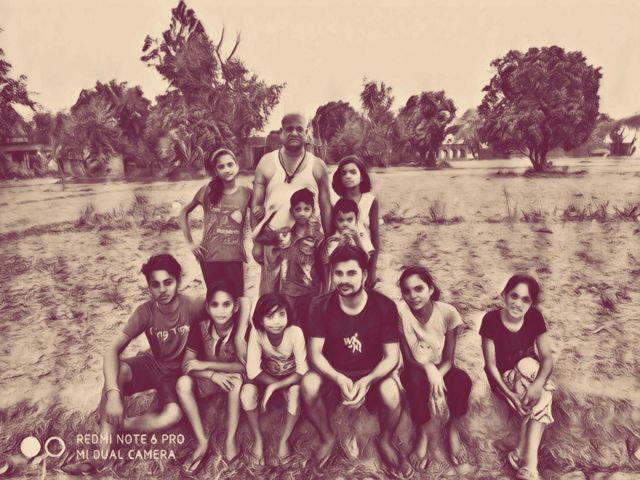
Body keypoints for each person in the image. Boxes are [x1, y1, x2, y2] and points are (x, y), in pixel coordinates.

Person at [63, 254, 206, 475]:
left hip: (176, 376)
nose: (162, 290)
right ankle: (101, 457)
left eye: (168, 282)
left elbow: (227, 307)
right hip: (152, 364)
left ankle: (119, 425)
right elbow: (111, 350)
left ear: (179, 280)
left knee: (173, 415)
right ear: (149, 287)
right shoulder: (145, 311)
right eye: (155, 284)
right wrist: (113, 394)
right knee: (118, 371)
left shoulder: (192, 306)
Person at [300, 244, 414, 479]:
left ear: (364, 274)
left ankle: (385, 440)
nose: (344, 280)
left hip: (372, 371)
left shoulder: (384, 306)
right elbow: (315, 354)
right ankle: (327, 437)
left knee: (392, 392)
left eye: (351, 273)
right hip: (333, 371)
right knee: (308, 385)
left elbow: (391, 356)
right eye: (338, 273)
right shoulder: (319, 305)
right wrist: (338, 378)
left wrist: (367, 381)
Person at [397, 266, 472, 472]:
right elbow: (408, 360)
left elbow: (449, 359)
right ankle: (422, 433)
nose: (413, 295)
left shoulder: (448, 313)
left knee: (463, 381)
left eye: (418, 288)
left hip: (443, 368)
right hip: (416, 368)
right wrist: (428, 369)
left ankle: (453, 429)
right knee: (413, 381)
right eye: (406, 291)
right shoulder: (401, 314)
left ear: (430, 289)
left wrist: (438, 374)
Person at [480, 275, 555, 480]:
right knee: (540, 390)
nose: (518, 303)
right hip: (503, 378)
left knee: (538, 384)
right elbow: (490, 365)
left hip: (528, 372)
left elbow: (547, 357)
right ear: (504, 296)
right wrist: (511, 396)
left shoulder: (534, 317)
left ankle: (523, 454)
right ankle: (529, 461)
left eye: (525, 299)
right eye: (514, 296)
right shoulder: (491, 320)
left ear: (531, 304)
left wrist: (538, 384)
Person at [251, 112, 332, 295]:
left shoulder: (317, 165)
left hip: (306, 243)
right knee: (270, 295)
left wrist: (328, 241)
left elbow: (326, 206)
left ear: (307, 133)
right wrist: (256, 243)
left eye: (299, 129)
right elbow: (256, 205)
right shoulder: (267, 162)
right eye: (289, 129)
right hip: (272, 240)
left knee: (305, 293)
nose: (294, 133)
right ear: (281, 133)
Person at [176, 280, 251, 475]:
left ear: (235, 307)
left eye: (226, 304)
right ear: (208, 308)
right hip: (209, 380)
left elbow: (244, 367)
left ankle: (230, 440)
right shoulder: (200, 327)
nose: (221, 311)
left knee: (236, 381)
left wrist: (207, 365)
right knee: (182, 383)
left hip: (231, 380)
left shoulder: (243, 330)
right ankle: (202, 441)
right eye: (215, 305)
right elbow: (186, 365)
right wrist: (212, 375)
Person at [240, 294, 308, 467]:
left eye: (281, 314)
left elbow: (302, 370)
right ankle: (258, 438)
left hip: (290, 378)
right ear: (260, 320)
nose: (277, 321)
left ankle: (284, 440)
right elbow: (252, 370)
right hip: (265, 377)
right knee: (246, 394)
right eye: (270, 316)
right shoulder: (257, 333)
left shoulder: (295, 333)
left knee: (295, 394)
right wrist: (273, 385)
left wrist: (278, 386)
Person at [179, 148, 252, 295]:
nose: (227, 169)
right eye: (221, 166)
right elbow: (183, 212)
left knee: (237, 298)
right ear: (216, 171)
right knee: (215, 299)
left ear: (237, 165)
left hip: (234, 257)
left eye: (230, 164)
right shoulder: (207, 191)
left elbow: (256, 220)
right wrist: (190, 243)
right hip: (209, 257)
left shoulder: (247, 193)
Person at [331, 155, 380, 289]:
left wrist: (372, 269)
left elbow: (375, 236)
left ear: (362, 176)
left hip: (364, 253)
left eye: (353, 172)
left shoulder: (370, 201)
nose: (348, 176)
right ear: (340, 178)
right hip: (343, 258)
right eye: (344, 173)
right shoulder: (337, 203)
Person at [320, 198, 367, 292]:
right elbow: (328, 262)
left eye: (350, 220)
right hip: (337, 284)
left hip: (356, 282)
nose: (345, 224)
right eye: (340, 220)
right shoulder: (332, 241)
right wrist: (340, 245)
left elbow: (366, 259)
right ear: (335, 222)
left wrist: (357, 240)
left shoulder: (361, 237)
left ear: (356, 219)